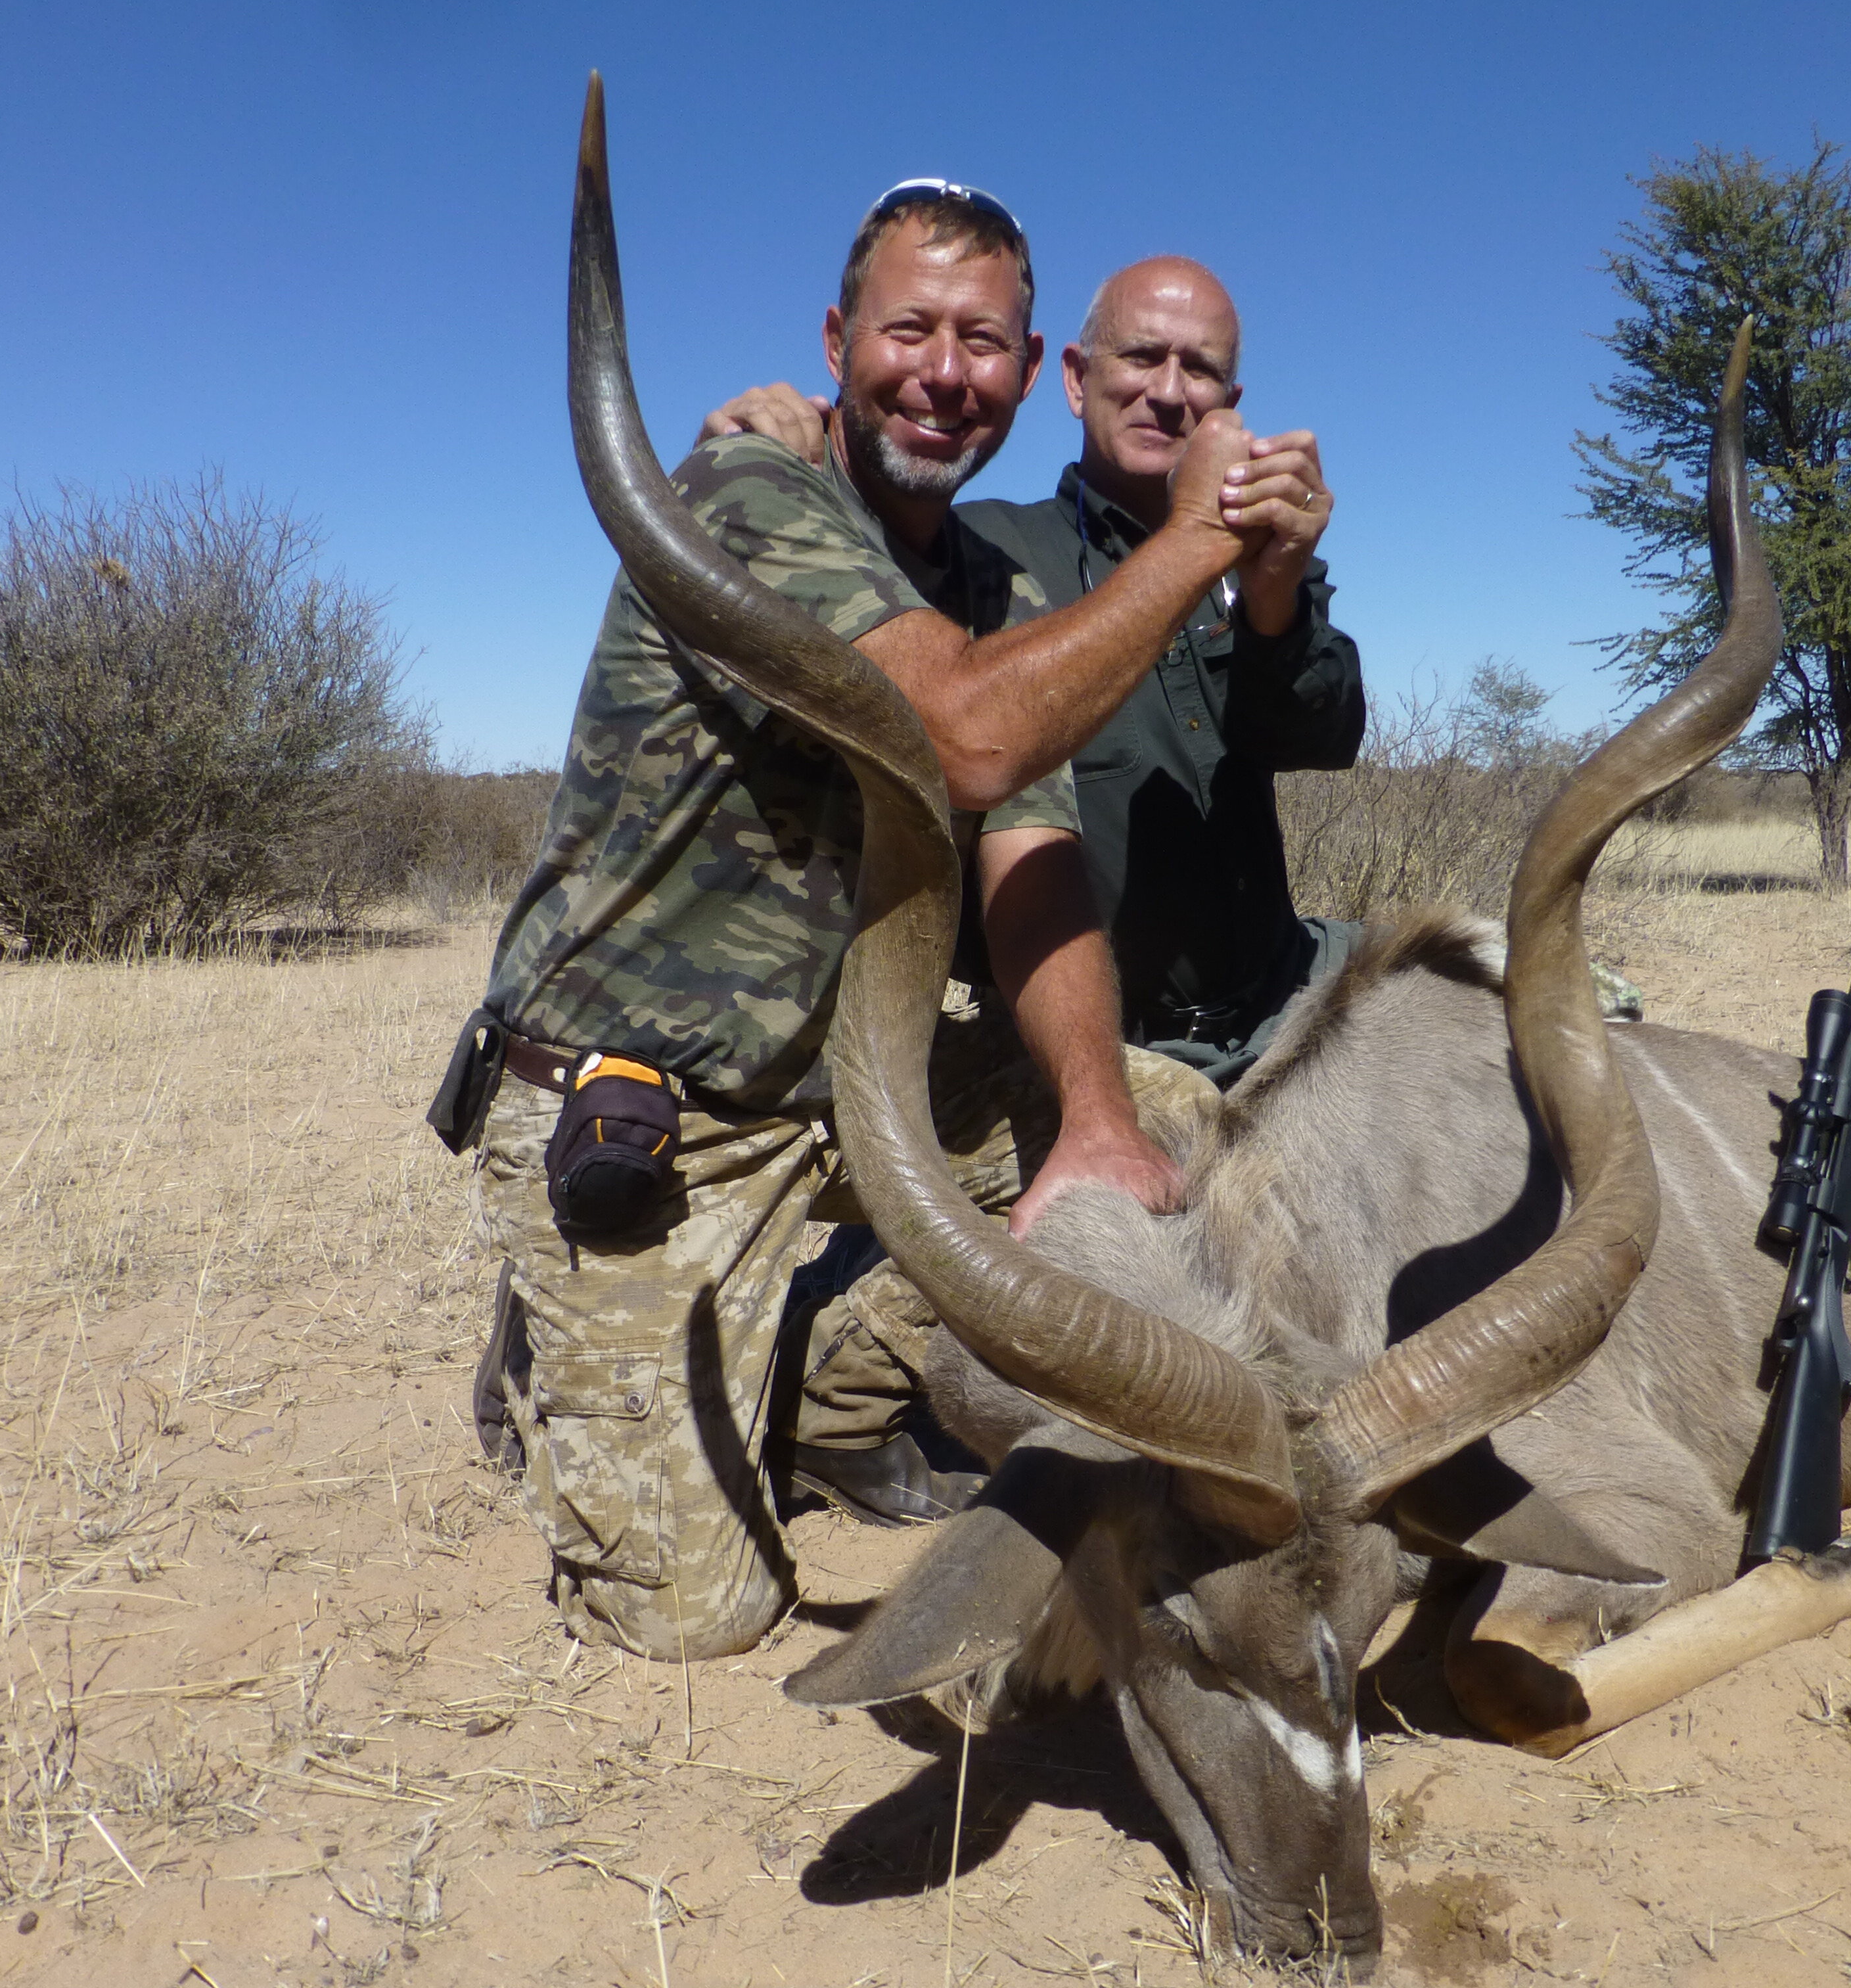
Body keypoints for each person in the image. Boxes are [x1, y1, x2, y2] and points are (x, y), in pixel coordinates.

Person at [439, 181, 1320, 1663]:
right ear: (838, 341)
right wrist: (1199, 542)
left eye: (982, 342)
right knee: (701, 1619)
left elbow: (1028, 842)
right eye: (908, 328)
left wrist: (1092, 1119)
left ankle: (813, 1384)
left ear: (1030, 376)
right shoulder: (749, 494)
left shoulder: (981, 576)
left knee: (1166, 1111)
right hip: (639, 1112)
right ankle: (557, 1361)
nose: (942, 370)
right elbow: (969, 739)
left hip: (850, 1093)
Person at [958, 258, 1364, 1085]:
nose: (1170, 392)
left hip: (1290, 1004)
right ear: (1075, 380)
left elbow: (1326, 737)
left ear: (1230, 409)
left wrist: (1277, 592)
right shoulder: (981, 551)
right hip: (1096, 1056)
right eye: (1142, 357)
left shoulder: (1262, 551)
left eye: (1201, 369)